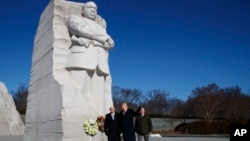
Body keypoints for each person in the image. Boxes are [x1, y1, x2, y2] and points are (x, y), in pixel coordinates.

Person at [66, 1, 114, 115]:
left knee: (98, 98)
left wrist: (105, 41)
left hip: (100, 63)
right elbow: (78, 29)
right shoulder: (75, 19)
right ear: (83, 11)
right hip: (82, 59)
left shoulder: (100, 28)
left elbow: (111, 43)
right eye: (90, 7)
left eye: (95, 8)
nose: (93, 10)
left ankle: (99, 121)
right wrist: (103, 39)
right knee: (77, 92)